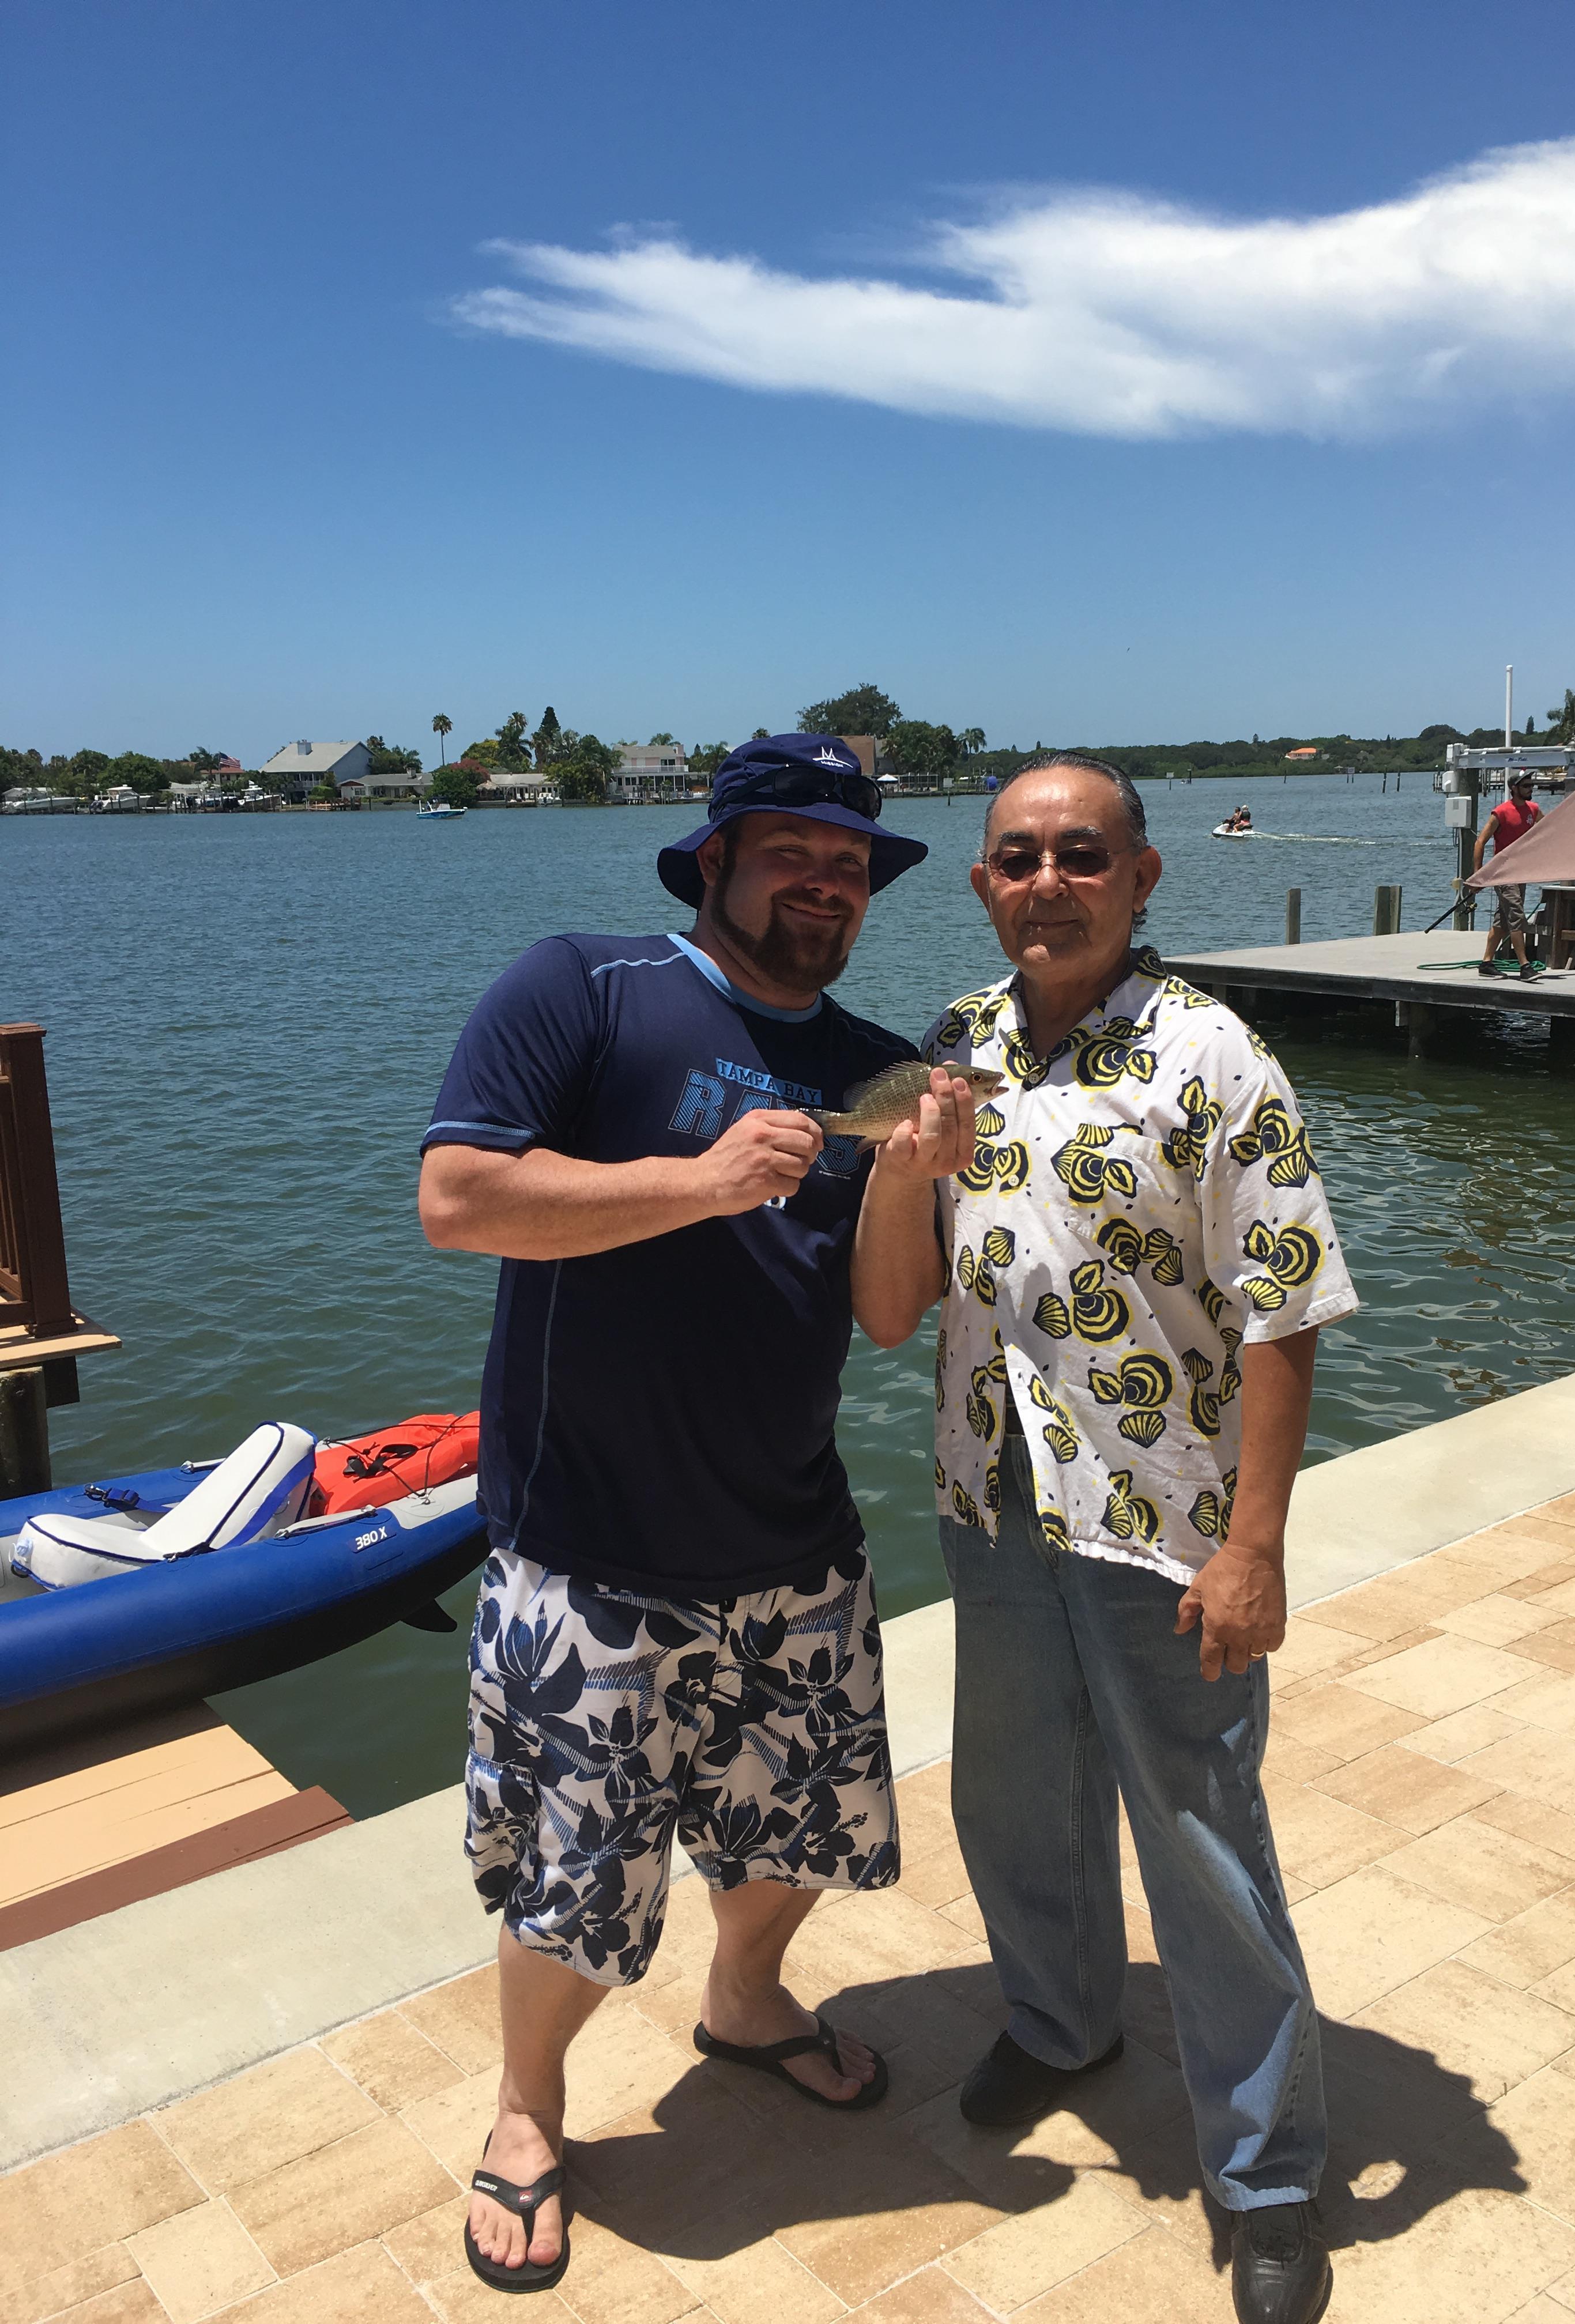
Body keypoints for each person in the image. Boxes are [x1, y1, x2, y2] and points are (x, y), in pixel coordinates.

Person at [419, 734, 940, 2294]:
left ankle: (748, 2002)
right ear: (712, 861)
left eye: (850, 864)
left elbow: (893, 1318)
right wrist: (698, 1181)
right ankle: (526, 2109)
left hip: (794, 1541)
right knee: (573, 1883)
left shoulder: (873, 1060)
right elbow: (458, 1199)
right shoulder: (582, 988)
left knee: (803, 1834)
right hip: (593, 1551)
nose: (826, 882)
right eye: (793, 850)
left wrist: (909, 1173)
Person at [853, 753, 1358, 2324]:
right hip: (994, 1504)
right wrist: (902, 1175)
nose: (1047, 882)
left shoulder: (1217, 1059)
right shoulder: (956, 1050)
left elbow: (1286, 1314)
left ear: (1142, 879)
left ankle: (1267, 2173)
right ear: (985, 883)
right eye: (1018, 858)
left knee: (1204, 1849)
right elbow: (887, 1313)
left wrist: (1256, 1547)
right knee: (1017, 1804)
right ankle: (1061, 2023)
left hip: (1163, 1526)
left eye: (1083, 855)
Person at [1472, 771, 1544, 978]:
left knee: (1502, 920)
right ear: (1514, 789)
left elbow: (1548, 830)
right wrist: (1479, 875)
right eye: (1526, 786)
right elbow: (1480, 842)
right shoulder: (1501, 813)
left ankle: (1486, 963)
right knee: (1516, 916)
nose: (1531, 789)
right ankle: (1524, 966)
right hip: (1502, 873)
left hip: (1520, 873)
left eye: (1531, 785)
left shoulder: (1534, 809)